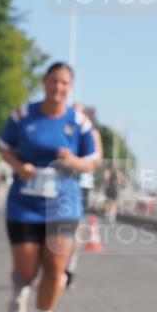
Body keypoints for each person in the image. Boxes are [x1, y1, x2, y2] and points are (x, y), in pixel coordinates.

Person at [0, 62, 99, 312]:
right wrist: (19, 166)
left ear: (70, 87)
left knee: (56, 268)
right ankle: (20, 288)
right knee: (27, 269)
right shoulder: (23, 115)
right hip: (25, 203)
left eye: (64, 83)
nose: (58, 87)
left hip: (63, 204)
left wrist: (74, 162)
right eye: (54, 81)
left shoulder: (79, 122)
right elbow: (4, 147)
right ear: (44, 83)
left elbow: (93, 160)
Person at [65, 104, 103, 291]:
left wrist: (75, 161)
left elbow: (97, 161)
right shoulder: (62, 128)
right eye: (73, 110)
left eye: (79, 111)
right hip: (60, 183)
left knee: (76, 229)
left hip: (82, 185)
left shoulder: (92, 134)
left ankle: (69, 269)